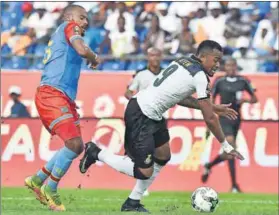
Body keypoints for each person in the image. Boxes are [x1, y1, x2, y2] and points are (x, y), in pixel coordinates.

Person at [79, 40, 243, 212]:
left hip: (151, 114)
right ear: (203, 56)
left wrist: (213, 106)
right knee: (143, 171)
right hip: (141, 114)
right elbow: (209, 118)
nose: (218, 65)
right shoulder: (199, 76)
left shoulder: (183, 62)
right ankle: (96, 153)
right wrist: (225, 145)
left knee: (163, 155)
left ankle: (132, 202)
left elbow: (179, 97)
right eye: (216, 60)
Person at [24, 5, 99, 211]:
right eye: (81, 18)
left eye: (86, 19)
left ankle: (37, 180)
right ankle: (52, 188)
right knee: (74, 144)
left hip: (62, 96)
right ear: (68, 16)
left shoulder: (64, 32)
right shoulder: (69, 26)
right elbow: (83, 50)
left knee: (75, 145)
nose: (84, 22)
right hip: (52, 93)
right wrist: (94, 57)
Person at [201, 58, 258, 193]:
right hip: (224, 118)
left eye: (233, 65)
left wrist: (246, 100)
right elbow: (211, 102)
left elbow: (255, 99)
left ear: (236, 67)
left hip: (236, 119)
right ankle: (234, 186)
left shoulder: (243, 81)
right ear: (224, 67)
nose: (230, 68)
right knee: (231, 147)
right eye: (228, 65)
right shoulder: (220, 81)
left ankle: (209, 165)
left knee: (230, 153)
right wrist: (209, 123)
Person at [124, 47, 164, 197]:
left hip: (159, 117)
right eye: (151, 55)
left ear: (161, 56)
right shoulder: (141, 75)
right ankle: (141, 186)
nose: (154, 58)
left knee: (158, 154)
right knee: (147, 152)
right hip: (143, 117)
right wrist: (136, 102)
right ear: (148, 57)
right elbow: (128, 92)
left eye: (157, 55)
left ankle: (142, 185)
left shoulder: (166, 74)